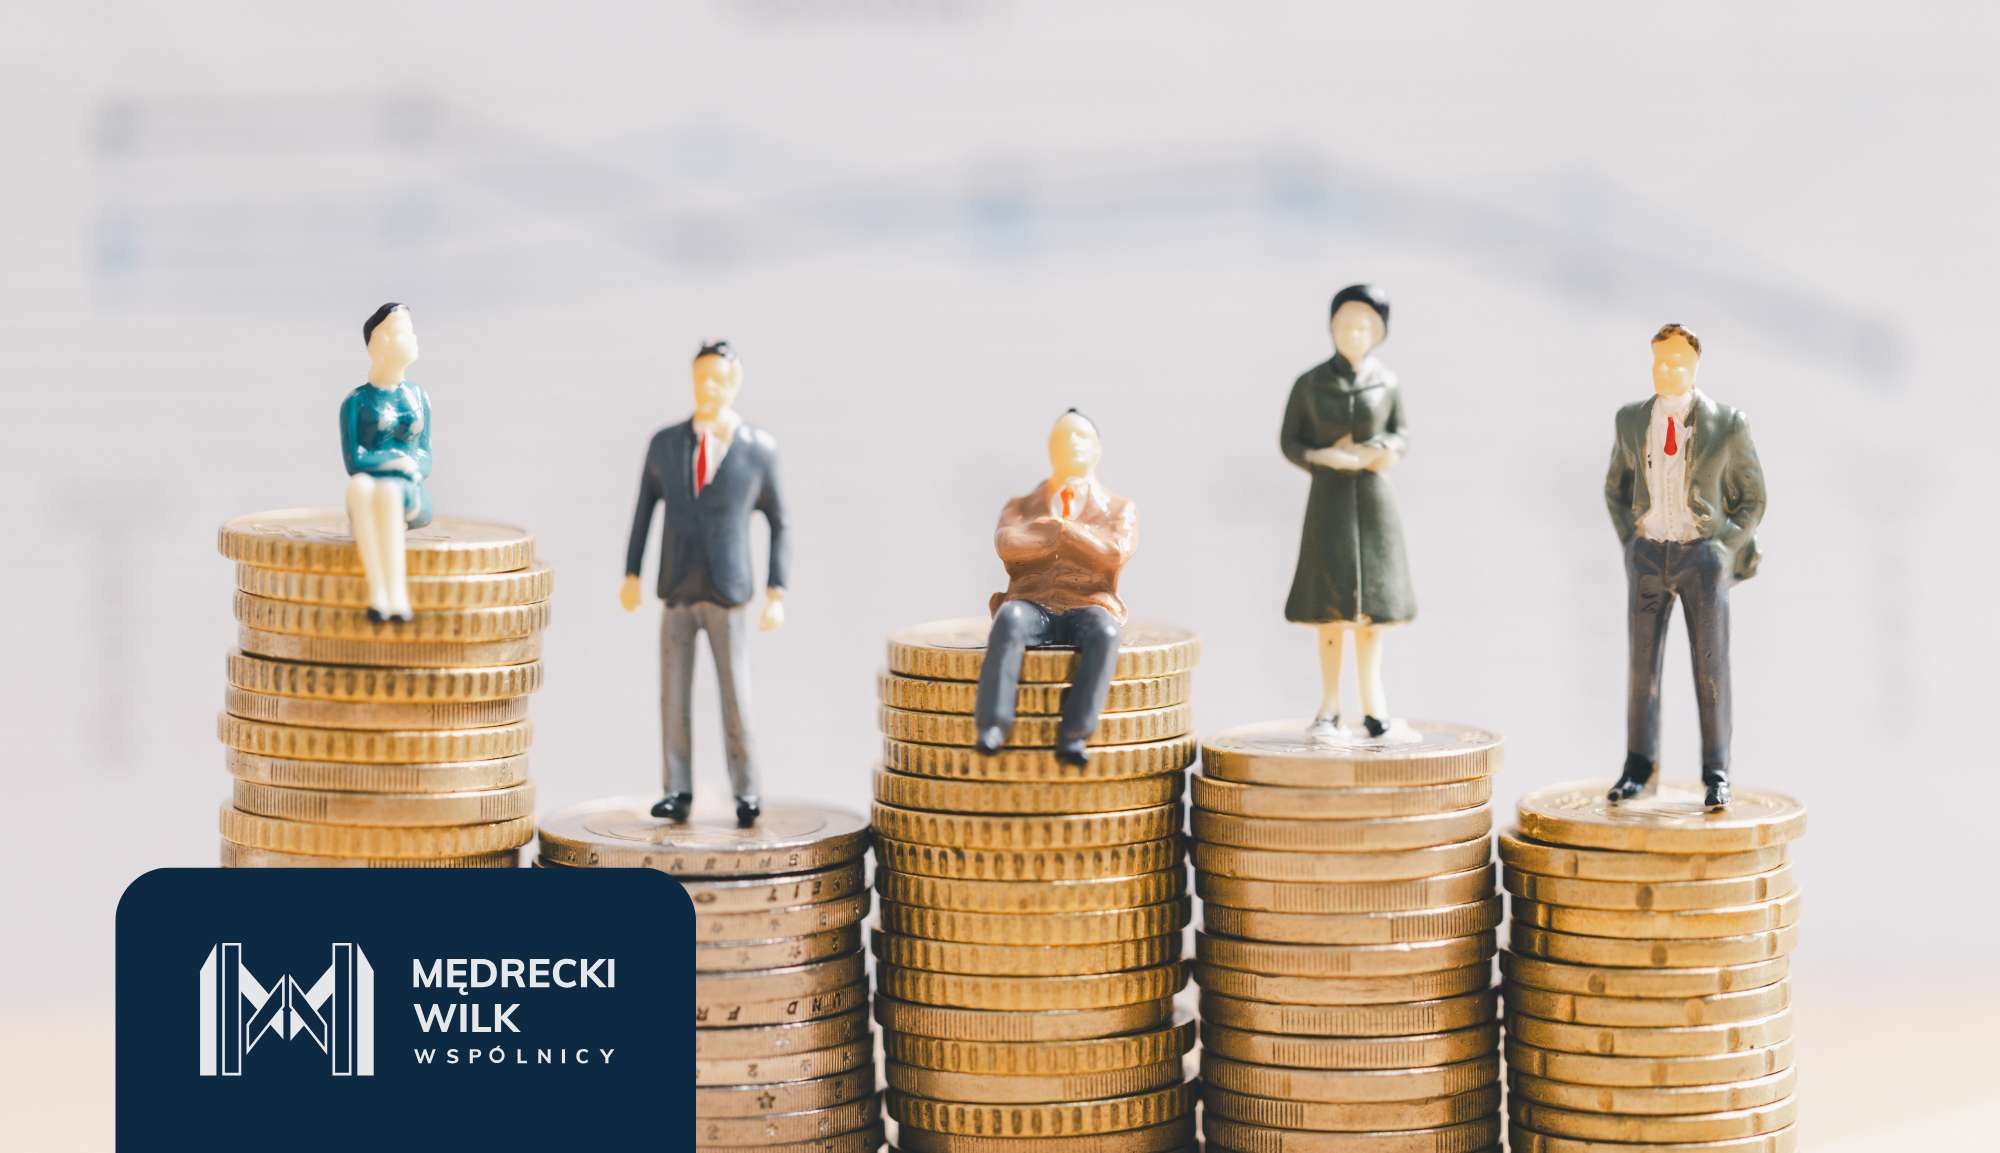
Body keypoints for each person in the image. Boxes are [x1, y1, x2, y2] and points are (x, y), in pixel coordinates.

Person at [621, 341, 788, 827]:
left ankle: (747, 791)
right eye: (702, 379)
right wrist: (631, 573)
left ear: (736, 382)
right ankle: (676, 788)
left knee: (736, 691)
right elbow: (643, 512)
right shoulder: (664, 444)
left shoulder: (758, 449)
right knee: (672, 692)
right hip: (675, 586)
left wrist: (777, 590)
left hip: (728, 591)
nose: (709, 389)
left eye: (719, 379)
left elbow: (781, 521)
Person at [1603, 323, 1766, 810]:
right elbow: (1616, 487)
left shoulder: (1727, 423)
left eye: (1677, 361)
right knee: (1641, 670)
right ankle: (1638, 767)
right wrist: (1632, 542)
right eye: (1658, 360)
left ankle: (1716, 772)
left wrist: (1723, 548)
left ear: (1696, 366)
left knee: (1710, 669)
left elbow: (1752, 498)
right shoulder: (1631, 420)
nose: (1666, 370)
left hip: (1701, 556)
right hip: (1649, 555)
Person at [1280, 284, 1414, 738]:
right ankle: (1330, 705)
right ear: (1332, 328)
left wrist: (1382, 451)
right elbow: (1290, 441)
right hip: (1330, 504)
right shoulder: (1310, 383)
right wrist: (1322, 458)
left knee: (1373, 612)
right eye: (1345, 325)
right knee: (1331, 609)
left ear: (1378, 332)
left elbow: (1401, 434)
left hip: (1374, 503)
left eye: (1363, 326)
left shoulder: (1387, 382)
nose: (1353, 333)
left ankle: (1375, 704)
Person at [973, 409, 1138, 767]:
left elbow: (1112, 552)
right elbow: (1009, 542)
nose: (1072, 446)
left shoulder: (1119, 509)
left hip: (1088, 603)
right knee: (1010, 619)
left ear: (1097, 449)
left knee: (1105, 632)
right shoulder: (1021, 505)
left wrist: (1062, 531)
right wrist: (1073, 538)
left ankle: (1076, 736)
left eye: (1081, 438)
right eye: (1063, 439)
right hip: (1033, 602)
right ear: (1050, 448)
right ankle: (993, 727)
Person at [340, 303, 431, 623]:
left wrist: (409, 465)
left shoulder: (418, 397)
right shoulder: (356, 402)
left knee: (388, 492)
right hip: (370, 486)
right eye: (402, 332)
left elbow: (425, 456)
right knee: (360, 485)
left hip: (409, 492)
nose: (412, 338)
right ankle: (379, 595)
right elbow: (356, 460)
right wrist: (396, 459)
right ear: (377, 344)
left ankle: (398, 595)